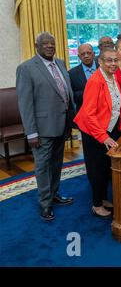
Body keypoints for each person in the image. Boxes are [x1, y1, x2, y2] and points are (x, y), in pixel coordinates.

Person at [16, 32, 75, 221]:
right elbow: (25, 103)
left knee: (57, 163)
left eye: (52, 43)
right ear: (37, 46)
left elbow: (65, 92)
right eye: (45, 43)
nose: (50, 46)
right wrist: (31, 132)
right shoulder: (26, 68)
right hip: (41, 129)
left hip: (62, 124)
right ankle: (45, 204)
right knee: (42, 166)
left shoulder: (60, 63)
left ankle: (55, 194)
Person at [74, 47, 121, 219]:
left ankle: (103, 198)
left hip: (108, 129)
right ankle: (96, 204)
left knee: (107, 169)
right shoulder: (95, 81)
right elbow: (88, 114)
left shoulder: (113, 77)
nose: (113, 63)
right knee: (97, 169)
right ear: (100, 62)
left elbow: (114, 107)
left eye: (115, 60)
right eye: (109, 60)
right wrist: (104, 137)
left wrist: (120, 127)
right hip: (94, 133)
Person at [69, 43, 97, 112]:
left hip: (104, 112)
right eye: (83, 54)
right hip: (84, 113)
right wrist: (89, 92)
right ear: (79, 56)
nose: (86, 56)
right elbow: (72, 96)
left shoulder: (104, 69)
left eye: (88, 53)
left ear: (93, 54)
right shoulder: (72, 74)